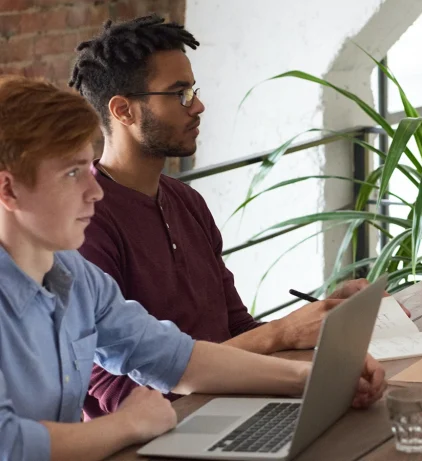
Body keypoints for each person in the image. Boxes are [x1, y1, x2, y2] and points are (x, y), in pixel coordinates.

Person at [0, 75, 386, 461]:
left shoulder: (75, 275)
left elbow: (175, 358)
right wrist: (127, 423)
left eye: (88, 168)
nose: (95, 191)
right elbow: (9, 445)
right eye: (72, 173)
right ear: (9, 190)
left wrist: (316, 380)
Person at [67, 15, 396, 418]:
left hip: (233, 407)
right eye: (180, 94)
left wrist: (319, 324)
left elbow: (237, 329)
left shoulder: (186, 201)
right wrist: (283, 335)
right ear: (123, 111)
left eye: (193, 90)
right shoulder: (86, 224)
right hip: (156, 434)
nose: (199, 105)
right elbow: (119, 396)